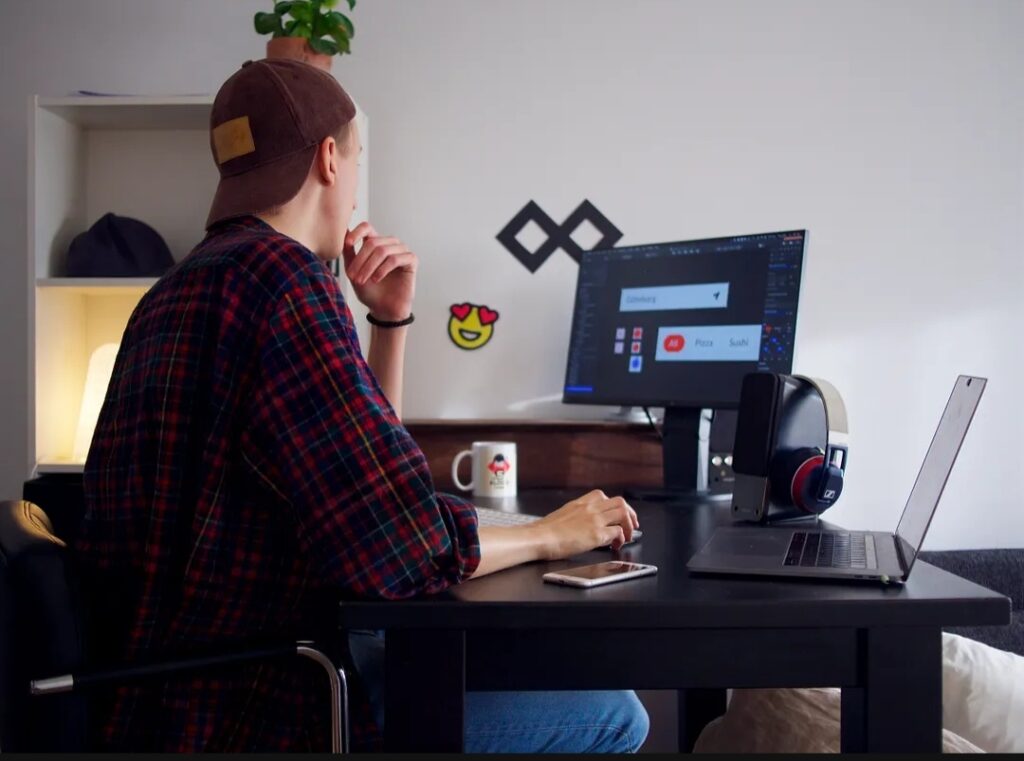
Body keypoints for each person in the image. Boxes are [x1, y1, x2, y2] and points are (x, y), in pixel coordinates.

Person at [76, 59, 649, 753]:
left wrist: (389, 323)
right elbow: (399, 546)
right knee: (616, 713)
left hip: (162, 695)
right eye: (355, 161)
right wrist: (551, 534)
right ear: (329, 159)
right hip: (263, 703)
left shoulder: (172, 290)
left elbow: (363, 483)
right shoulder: (284, 283)